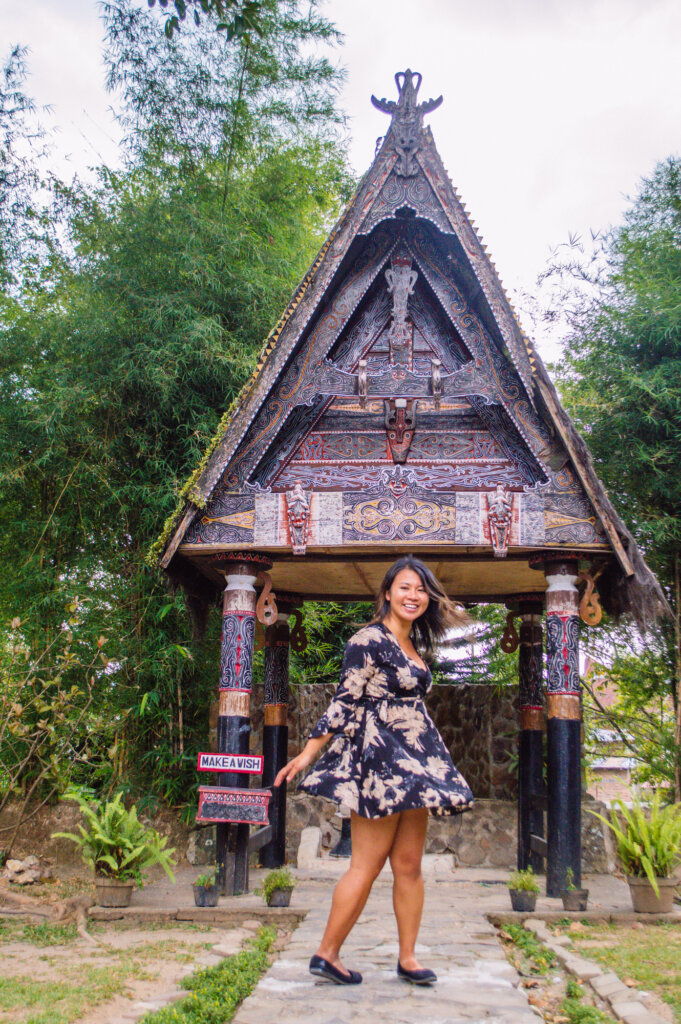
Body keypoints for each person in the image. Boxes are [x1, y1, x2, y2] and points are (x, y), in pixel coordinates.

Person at [273, 555, 474, 987]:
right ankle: (327, 953)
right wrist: (308, 754)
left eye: (421, 590)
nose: (414, 596)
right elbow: (344, 701)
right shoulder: (367, 640)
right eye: (405, 587)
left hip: (416, 762)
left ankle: (408, 958)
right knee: (366, 865)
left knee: (409, 865)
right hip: (381, 760)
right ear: (387, 592)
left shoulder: (413, 647)